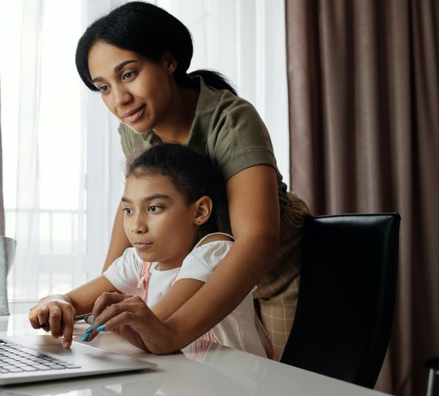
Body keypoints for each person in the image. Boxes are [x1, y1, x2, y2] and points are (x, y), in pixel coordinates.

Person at [73, 1, 312, 358]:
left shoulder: (231, 120)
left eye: (128, 75)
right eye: (103, 87)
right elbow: (133, 206)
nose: (119, 100)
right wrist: (105, 295)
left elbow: (258, 241)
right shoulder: (135, 127)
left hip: (275, 270)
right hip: (203, 268)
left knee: (279, 381)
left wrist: (171, 332)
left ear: (169, 62)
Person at [29, 143, 271, 358]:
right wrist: (54, 303)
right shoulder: (139, 261)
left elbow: (154, 327)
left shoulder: (215, 252)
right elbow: (73, 299)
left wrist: (105, 317)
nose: (136, 226)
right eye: (128, 210)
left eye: (154, 208)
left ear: (199, 211)